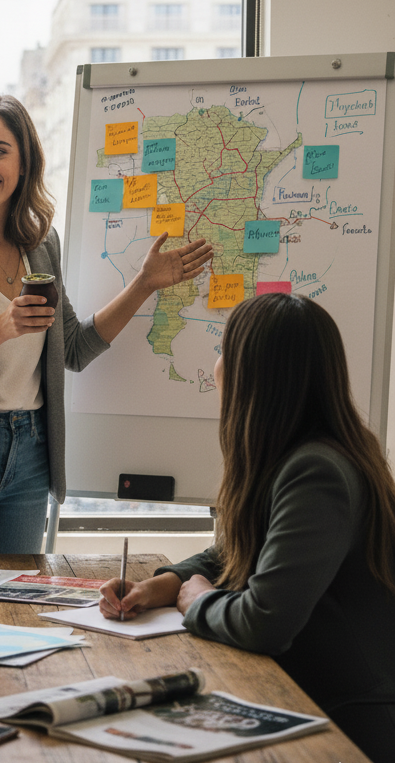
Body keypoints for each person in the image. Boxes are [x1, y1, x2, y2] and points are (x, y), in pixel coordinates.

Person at [0, 93, 213, 553]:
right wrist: (4, 327)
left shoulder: (42, 244)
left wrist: (144, 284)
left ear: (24, 164)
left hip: (30, 453)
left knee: (17, 602)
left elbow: (75, 349)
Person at [98, 293, 395, 759]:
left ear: (256, 374)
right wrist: (166, 583)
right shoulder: (308, 452)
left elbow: (264, 623)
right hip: (305, 699)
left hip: (343, 724)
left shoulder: (317, 472)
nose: (216, 367)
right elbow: (243, 549)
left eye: (224, 351)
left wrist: (197, 600)